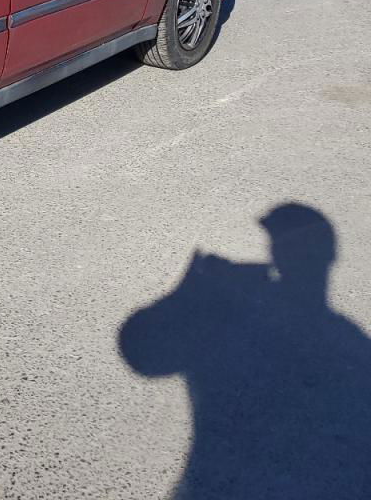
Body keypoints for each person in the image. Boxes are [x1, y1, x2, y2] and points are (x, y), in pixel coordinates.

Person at [118, 203, 371, 498]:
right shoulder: (349, 342)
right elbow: (142, 351)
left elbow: (142, 351)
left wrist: (191, 295)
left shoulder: (230, 320)